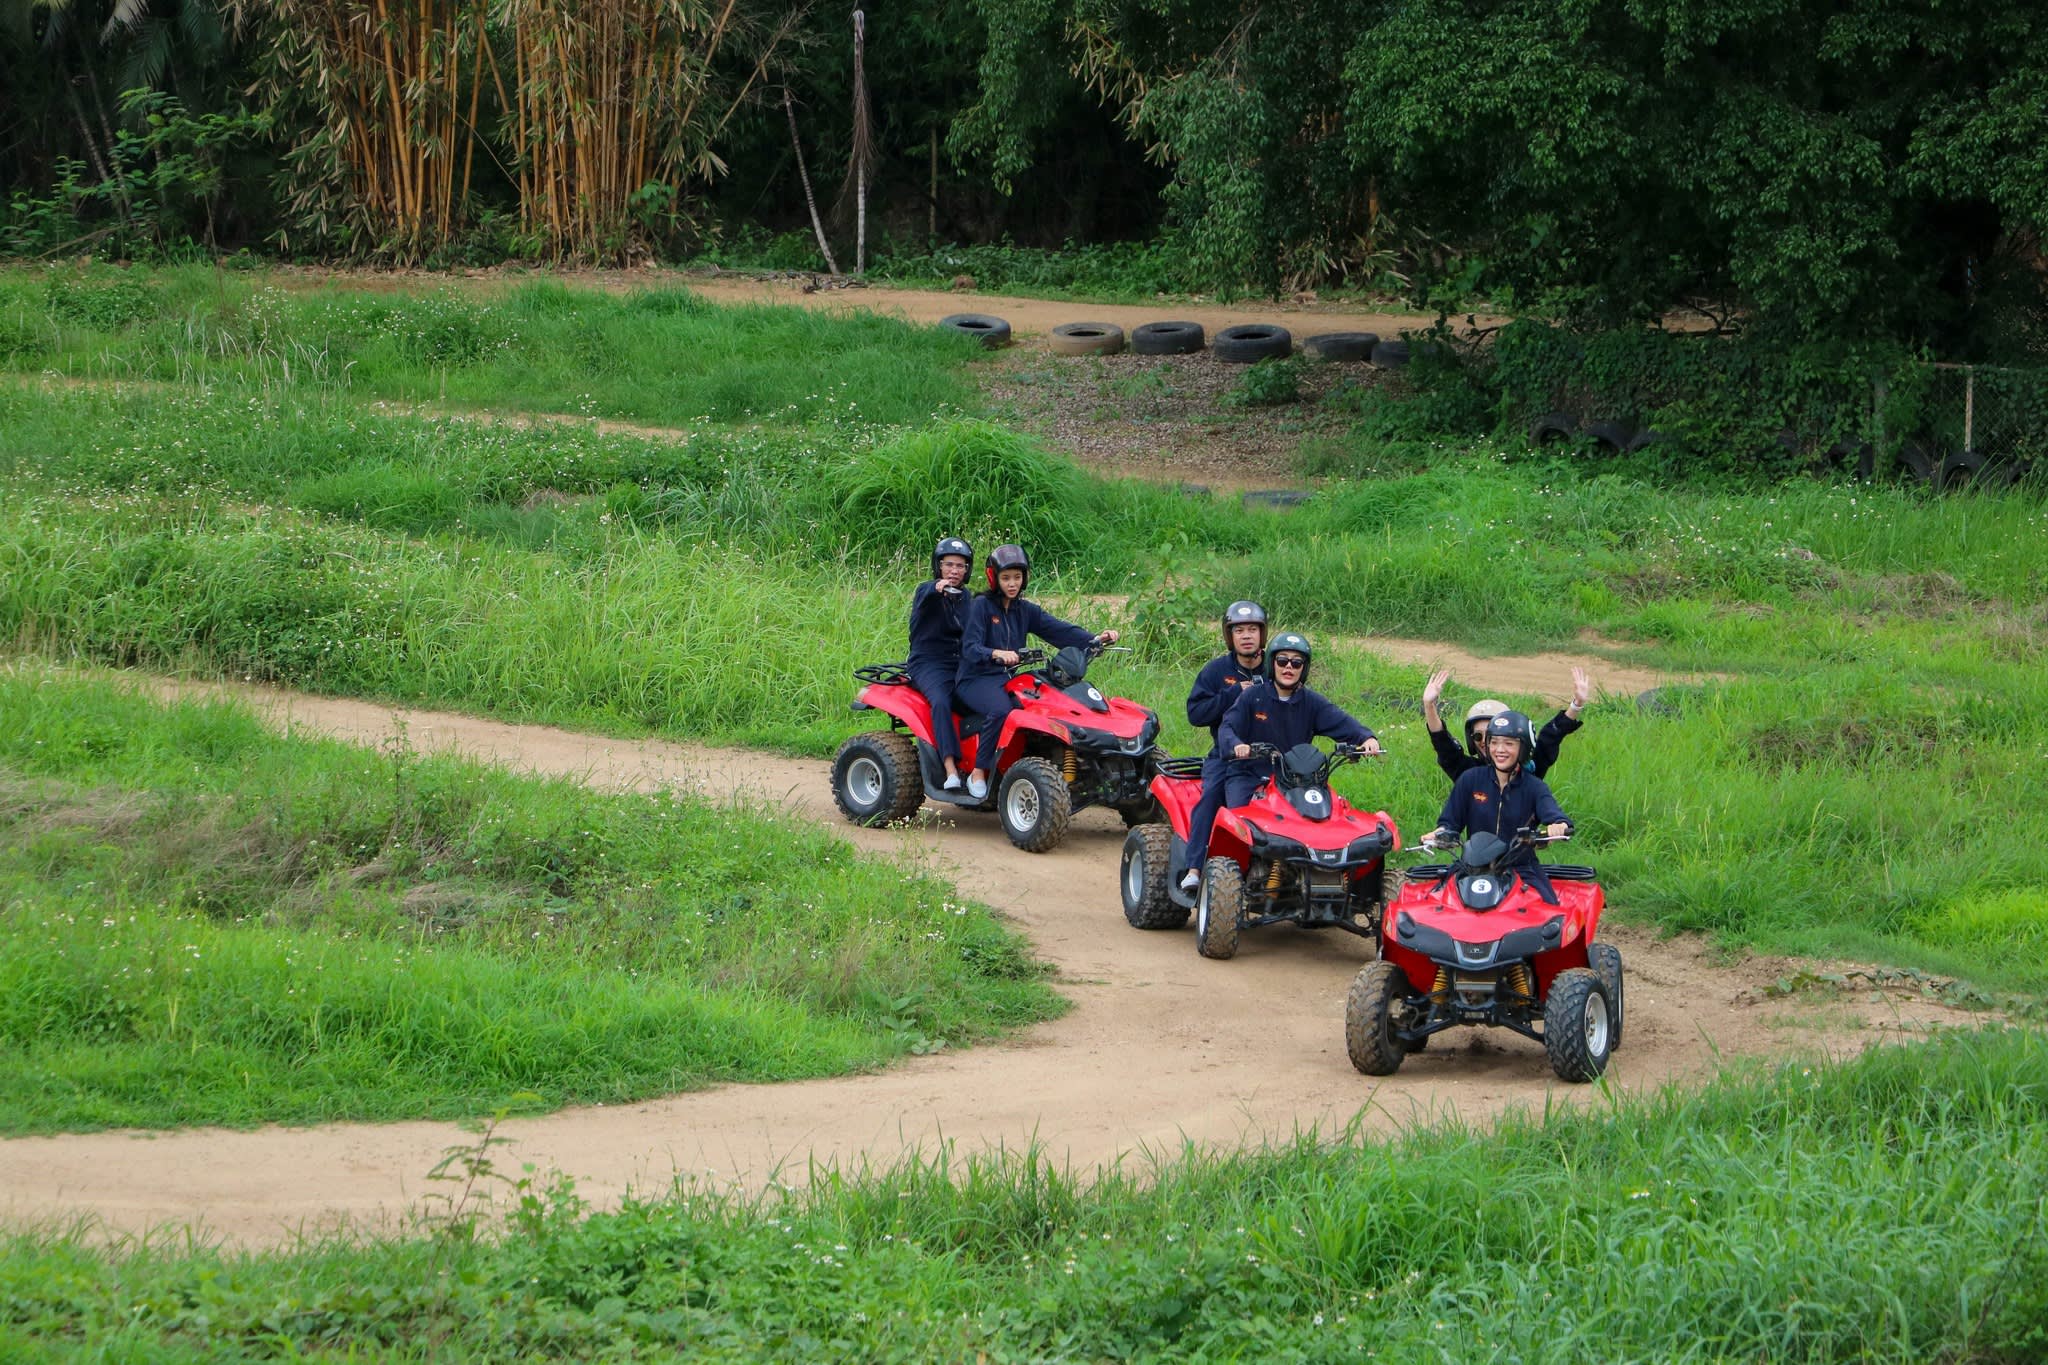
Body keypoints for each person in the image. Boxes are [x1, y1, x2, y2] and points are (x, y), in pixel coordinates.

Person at [1188, 632, 1382, 880]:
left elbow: (1342, 722)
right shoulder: (1252, 696)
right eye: (1282, 661)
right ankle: (1231, 878)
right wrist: (1236, 745)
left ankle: (1320, 874)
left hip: (1294, 781)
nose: (1289, 667)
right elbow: (1228, 727)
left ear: (1304, 668)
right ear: (1272, 664)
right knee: (1242, 827)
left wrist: (1366, 738)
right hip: (1248, 775)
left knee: (1324, 820)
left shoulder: (1311, 702)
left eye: (1296, 662)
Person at [955, 544, 1119, 801]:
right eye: (1006, 578)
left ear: (1025, 577)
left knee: (1046, 703)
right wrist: (996, 653)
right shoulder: (981, 606)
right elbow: (970, 648)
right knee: (1001, 710)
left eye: (1017, 577)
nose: (1012, 584)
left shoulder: (1024, 610)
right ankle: (978, 771)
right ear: (994, 578)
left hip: (1007, 678)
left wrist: (1095, 639)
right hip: (975, 678)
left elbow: (1058, 630)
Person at [1178, 600, 1270, 892]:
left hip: (1272, 755)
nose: (1246, 636)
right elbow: (1195, 714)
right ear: (1229, 636)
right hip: (1226, 755)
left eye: (1252, 629)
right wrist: (1232, 694)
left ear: (1263, 634)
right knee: (1211, 797)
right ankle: (1194, 868)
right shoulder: (1217, 671)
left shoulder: (1278, 666)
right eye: (1239, 630)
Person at [1427, 709, 1572, 872]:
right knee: (1438, 888)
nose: (1500, 749)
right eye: (1494, 742)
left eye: (1509, 744)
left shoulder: (1534, 787)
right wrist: (1440, 833)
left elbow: (1553, 813)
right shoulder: (1470, 779)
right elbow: (1450, 822)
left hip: (1521, 870)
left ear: (1524, 747)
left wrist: (1559, 825)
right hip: (1472, 868)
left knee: (1542, 890)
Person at [1420, 665, 1590, 782]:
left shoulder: (1529, 770)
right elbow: (1444, 746)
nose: (1485, 742)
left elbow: (1551, 737)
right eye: (1478, 736)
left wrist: (1576, 705)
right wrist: (1429, 706)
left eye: (1492, 735)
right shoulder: (1469, 774)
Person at [907, 535, 973, 789]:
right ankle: (950, 768)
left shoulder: (966, 597)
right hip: (927, 662)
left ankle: (980, 766)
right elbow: (927, 593)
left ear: (967, 570)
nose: (954, 571)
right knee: (942, 701)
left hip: (958, 663)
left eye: (960, 566)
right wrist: (938, 587)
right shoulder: (926, 591)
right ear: (939, 566)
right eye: (949, 565)